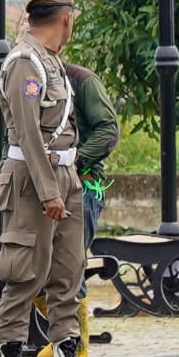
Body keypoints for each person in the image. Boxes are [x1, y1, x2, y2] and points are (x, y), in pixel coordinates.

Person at [0, 0, 87, 357]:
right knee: (25, 270)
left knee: (68, 268)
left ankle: (67, 351)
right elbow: (28, 134)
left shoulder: (52, 63)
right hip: (35, 180)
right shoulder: (24, 63)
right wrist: (49, 191)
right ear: (66, 18)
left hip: (66, 174)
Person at [64, 54, 121, 242]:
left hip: (80, 187)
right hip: (33, 189)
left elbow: (108, 130)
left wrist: (73, 163)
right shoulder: (24, 78)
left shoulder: (80, 79)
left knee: (70, 266)